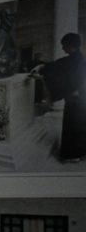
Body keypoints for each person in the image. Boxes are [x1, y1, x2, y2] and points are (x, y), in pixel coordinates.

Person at [35, 32, 86, 162]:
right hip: (79, 98)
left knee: (73, 126)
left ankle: (73, 155)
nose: (63, 48)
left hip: (76, 99)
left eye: (64, 45)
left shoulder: (76, 60)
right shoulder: (77, 58)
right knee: (79, 126)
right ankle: (81, 153)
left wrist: (43, 74)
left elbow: (66, 73)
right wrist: (43, 66)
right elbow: (59, 64)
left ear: (70, 45)